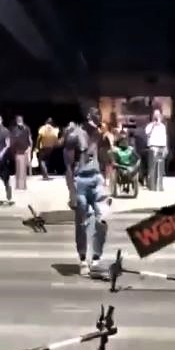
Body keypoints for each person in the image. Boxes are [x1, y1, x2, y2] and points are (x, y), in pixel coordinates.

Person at [65, 108, 109, 278]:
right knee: (82, 223)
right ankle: (83, 259)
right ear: (89, 117)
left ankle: (97, 259)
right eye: (96, 115)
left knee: (102, 219)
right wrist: (72, 192)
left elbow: (104, 158)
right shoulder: (74, 135)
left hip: (96, 179)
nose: (99, 118)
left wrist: (106, 181)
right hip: (80, 180)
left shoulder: (99, 135)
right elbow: (68, 166)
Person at [145, 109, 168, 191]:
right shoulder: (150, 125)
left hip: (161, 147)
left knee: (161, 167)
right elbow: (147, 133)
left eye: (158, 115)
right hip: (153, 147)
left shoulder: (163, 126)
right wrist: (153, 125)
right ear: (153, 116)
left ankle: (160, 185)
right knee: (152, 167)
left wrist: (165, 147)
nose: (157, 116)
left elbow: (164, 137)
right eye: (155, 115)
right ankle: (152, 185)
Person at [10, 115, 33, 190]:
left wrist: (29, 148)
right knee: (18, 168)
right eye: (18, 120)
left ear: (22, 120)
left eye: (20, 120)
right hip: (17, 151)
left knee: (23, 169)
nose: (19, 121)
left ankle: (23, 186)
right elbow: (12, 140)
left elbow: (30, 139)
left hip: (25, 150)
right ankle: (18, 185)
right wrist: (12, 150)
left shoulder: (26, 128)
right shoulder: (14, 129)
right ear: (16, 121)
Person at [61, 121, 79, 208]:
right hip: (79, 162)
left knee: (70, 180)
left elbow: (60, 143)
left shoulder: (67, 137)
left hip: (69, 156)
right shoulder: (79, 136)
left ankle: (74, 201)